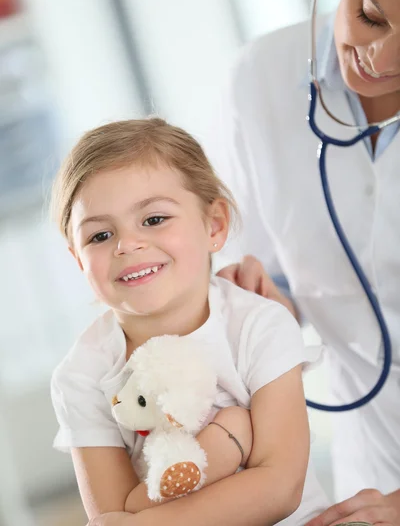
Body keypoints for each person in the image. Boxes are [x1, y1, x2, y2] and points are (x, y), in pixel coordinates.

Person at [50, 118, 329, 526]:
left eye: (153, 219)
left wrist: (146, 520)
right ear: (78, 260)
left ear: (214, 225)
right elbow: (111, 513)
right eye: (99, 236)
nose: (127, 244)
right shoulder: (81, 375)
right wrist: (226, 446)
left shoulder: (258, 324)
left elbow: (281, 487)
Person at [212, 0, 400, 525]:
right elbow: (274, 275)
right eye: (370, 16)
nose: (383, 60)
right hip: (367, 464)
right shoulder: (261, 78)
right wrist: (259, 308)